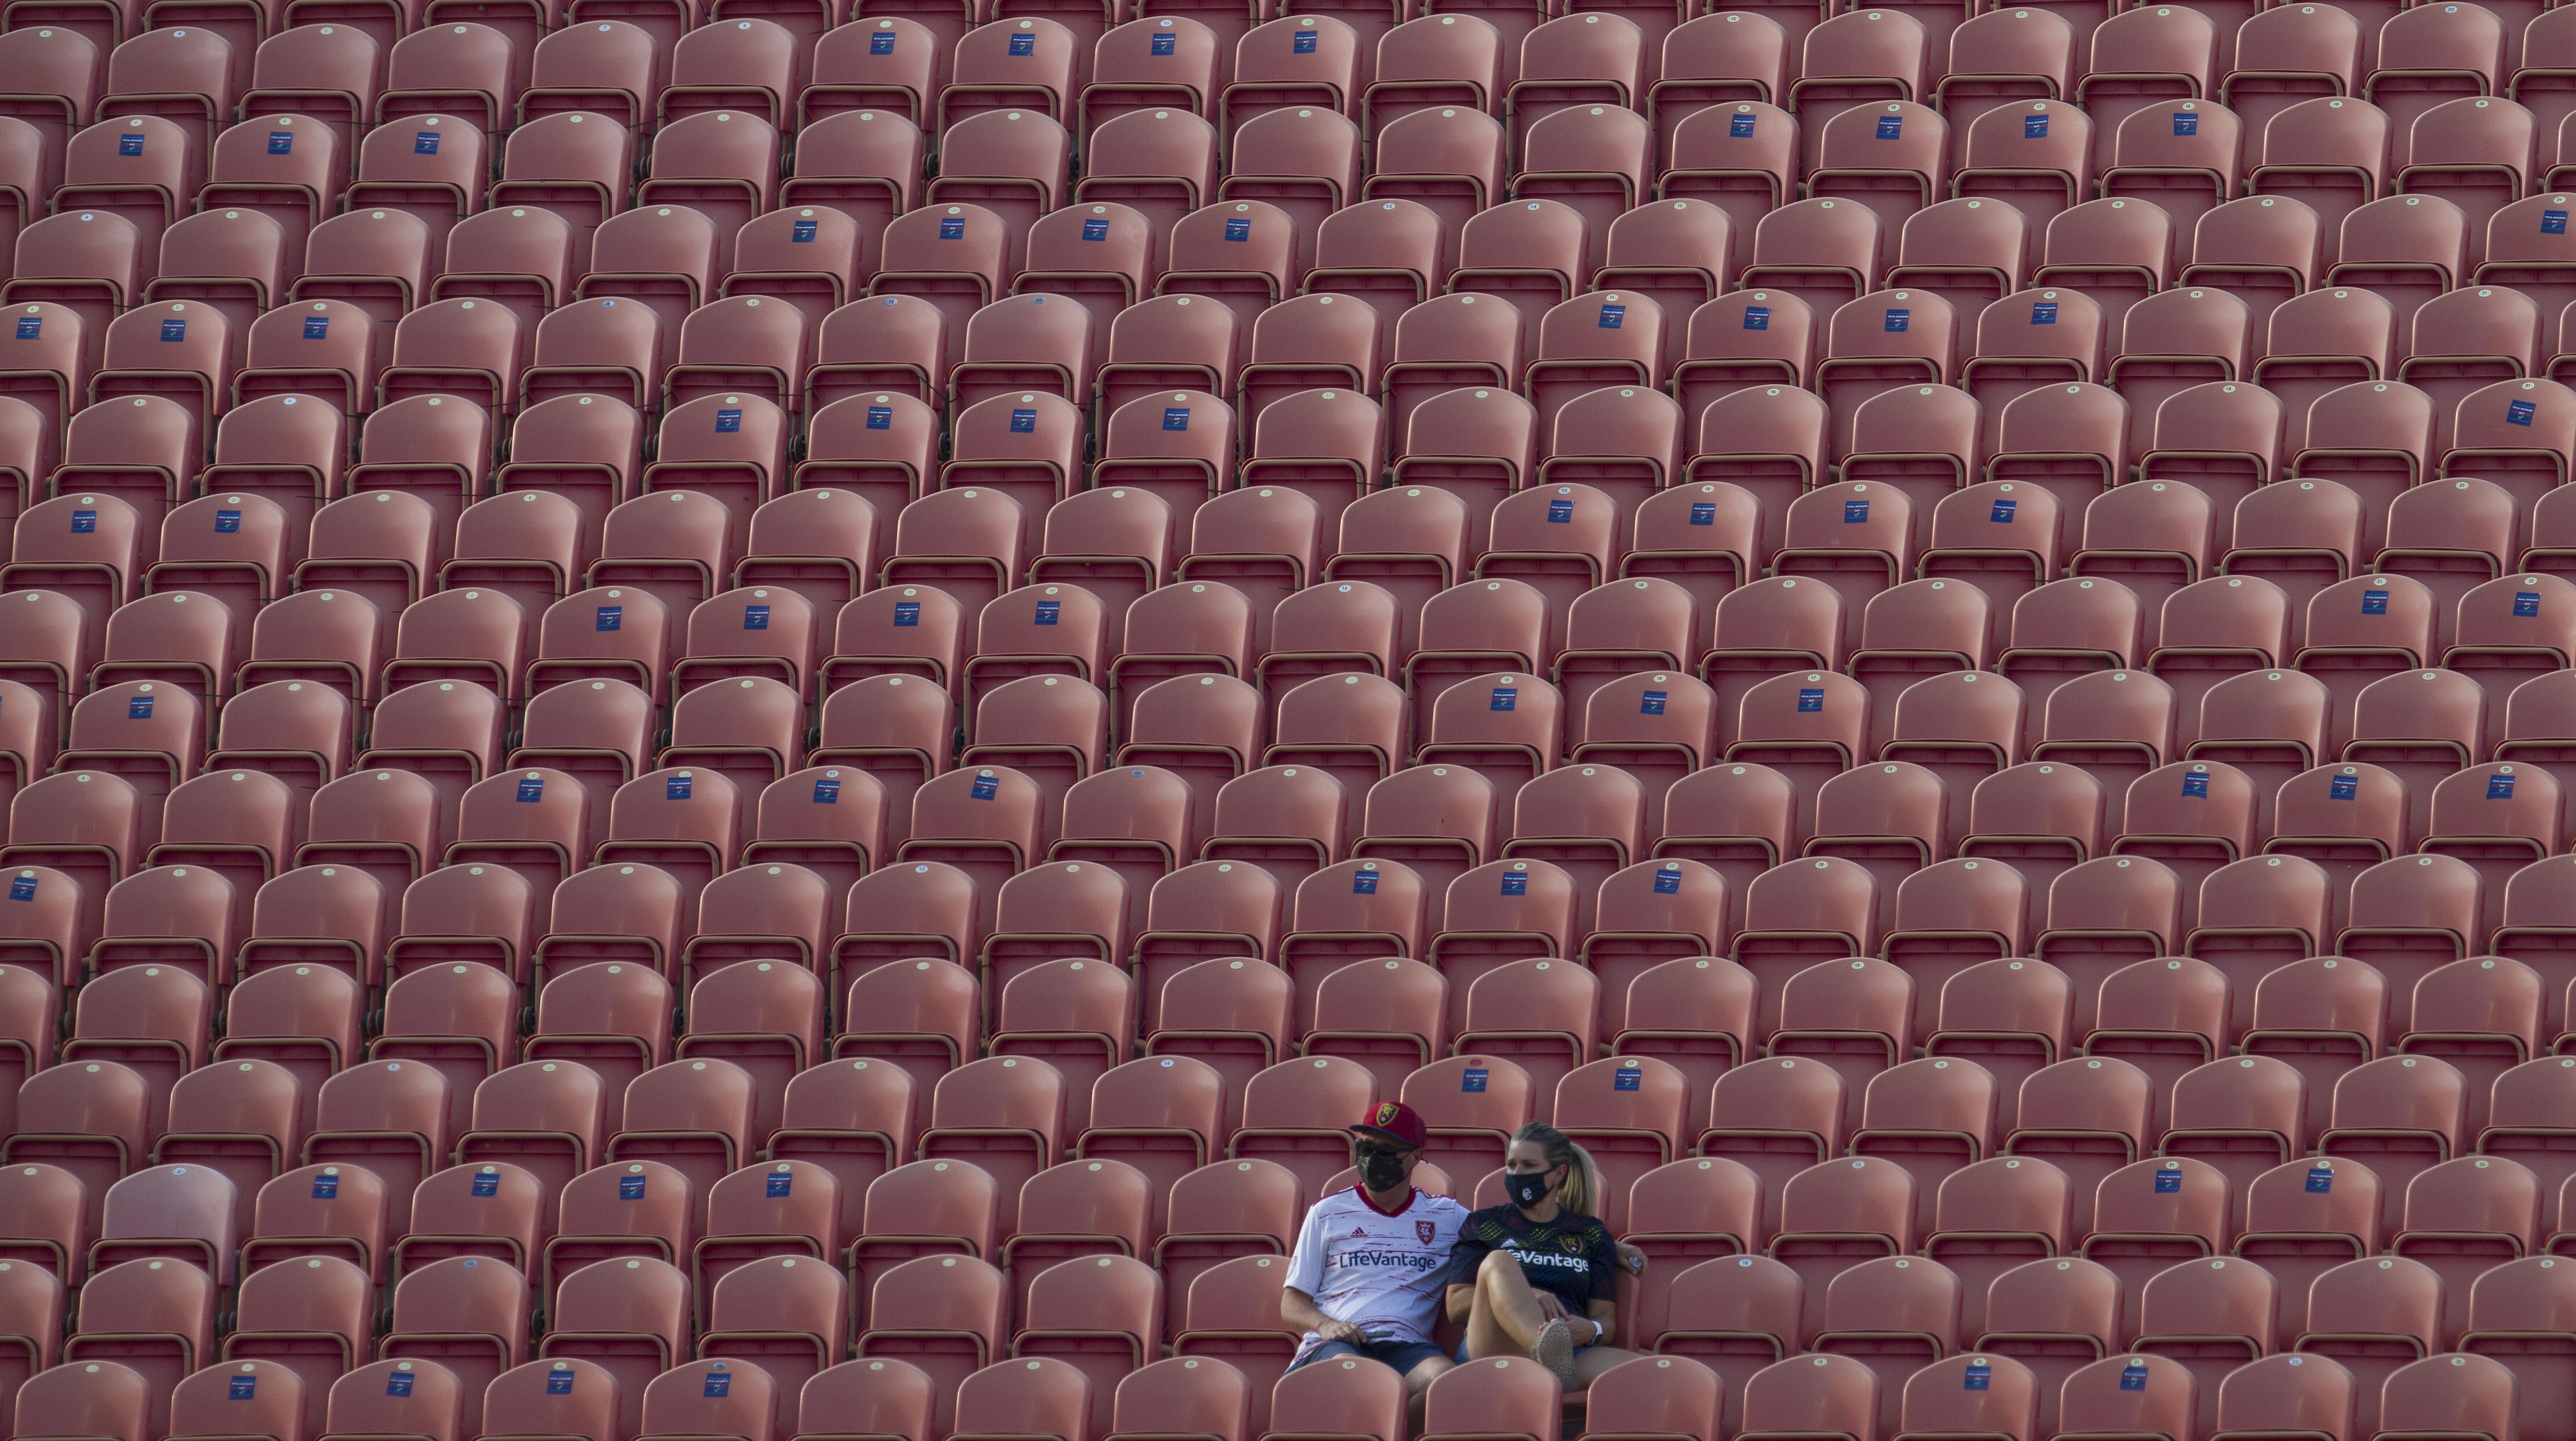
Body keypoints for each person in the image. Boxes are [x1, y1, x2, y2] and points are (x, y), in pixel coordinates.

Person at [1280, 1100, 1466, 1407]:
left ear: (1415, 1157)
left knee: (1443, 1382)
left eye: (1387, 1151)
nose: (1372, 1159)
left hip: (1406, 1347)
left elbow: (1501, 1244)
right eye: (1366, 1148)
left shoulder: (1447, 1217)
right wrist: (1327, 1325)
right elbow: (1291, 1303)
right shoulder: (1326, 1213)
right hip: (1337, 1344)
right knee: (1354, 1378)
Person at [1443, 1123, 1645, 1390]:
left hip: (1571, 1352)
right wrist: (1524, 1294)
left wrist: (1591, 1330)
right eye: (1512, 1165)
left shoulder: (1590, 1233)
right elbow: (1455, 1306)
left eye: (1528, 1165)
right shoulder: (1484, 1223)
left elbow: (1606, 1322)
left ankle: (1551, 1362)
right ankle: (1545, 1353)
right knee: (1499, 1262)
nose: (1517, 1173)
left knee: (1659, 1375)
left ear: (1558, 1173)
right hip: (1494, 1347)